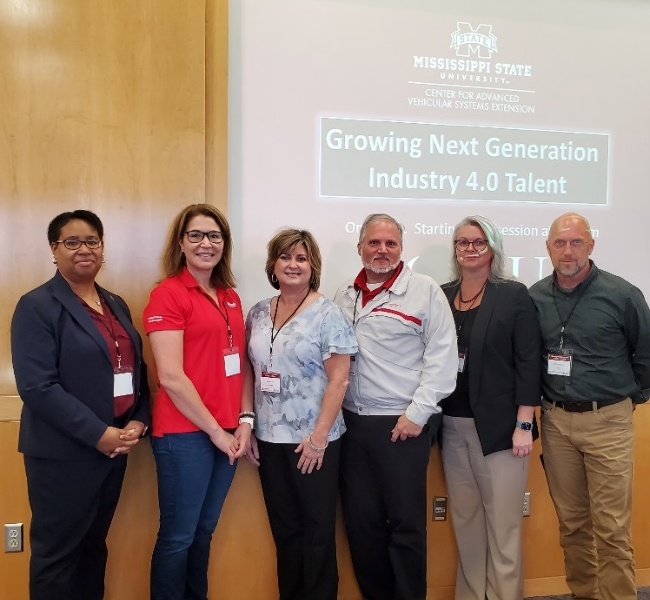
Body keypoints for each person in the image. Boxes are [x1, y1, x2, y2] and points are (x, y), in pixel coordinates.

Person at [10, 210, 151, 600]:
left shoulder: (116, 303)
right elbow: (37, 386)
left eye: (92, 241)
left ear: (103, 249)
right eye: (72, 242)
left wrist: (138, 420)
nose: (84, 249)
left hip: (114, 450)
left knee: (94, 549)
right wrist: (97, 434)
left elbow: (136, 370)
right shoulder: (37, 305)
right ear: (54, 250)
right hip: (63, 456)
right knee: (57, 557)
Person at [333, 213, 457, 600]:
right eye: (374, 243)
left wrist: (417, 414)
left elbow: (442, 357)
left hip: (402, 423)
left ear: (401, 250)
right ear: (360, 248)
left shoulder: (424, 291)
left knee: (405, 525)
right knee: (361, 524)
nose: (382, 251)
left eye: (390, 244)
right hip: (352, 423)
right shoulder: (343, 295)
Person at [529, 212, 650, 600]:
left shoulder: (623, 294)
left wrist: (630, 399)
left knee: (612, 527)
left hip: (608, 421)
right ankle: (585, 593)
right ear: (548, 247)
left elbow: (645, 354)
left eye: (576, 242)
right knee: (573, 524)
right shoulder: (535, 296)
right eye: (560, 243)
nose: (568, 251)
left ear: (591, 245)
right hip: (556, 421)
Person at [143, 204, 252, 600]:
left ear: (225, 244)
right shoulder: (168, 294)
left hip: (226, 431)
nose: (206, 244)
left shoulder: (230, 297)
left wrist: (244, 421)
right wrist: (217, 433)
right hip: (185, 435)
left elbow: (240, 363)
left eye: (215, 236)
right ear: (181, 243)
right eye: (196, 235)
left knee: (203, 533)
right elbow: (170, 377)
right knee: (178, 537)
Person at [245, 228, 357, 600]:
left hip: (314, 441)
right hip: (270, 439)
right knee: (286, 531)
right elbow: (252, 370)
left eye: (301, 258)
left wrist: (319, 438)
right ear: (273, 265)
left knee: (317, 533)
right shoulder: (259, 311)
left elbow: (339, 380)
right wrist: (250, 424)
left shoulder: (329, 314)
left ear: (313, 267)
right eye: (285, 257)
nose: (293, 265)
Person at [439, 215, 541, 600]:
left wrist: (525, 424)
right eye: (463, 242)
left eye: (479, 242)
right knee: (465, 523)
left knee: (503, 528)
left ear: (493, 247)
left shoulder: (513, 294)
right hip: (451, 426)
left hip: (502, 430)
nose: (470, 249)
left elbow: (529, 361)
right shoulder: (443, 294)